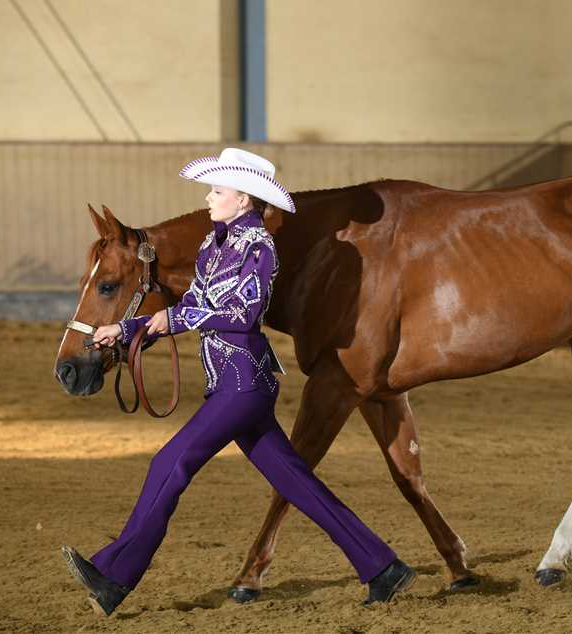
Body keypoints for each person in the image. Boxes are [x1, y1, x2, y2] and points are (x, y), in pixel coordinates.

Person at [61, 148, 415, 616]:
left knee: (170, 463)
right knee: (297, 484)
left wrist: (172, 321)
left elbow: (244, 313)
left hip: (243, 384)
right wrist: (125, 329)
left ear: (243, 199)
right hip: (229, 383)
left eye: (217, 191)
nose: (208, 198)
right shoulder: (213, 246)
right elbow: (192, 307)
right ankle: (382, 566)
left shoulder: (259, 247)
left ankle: (114, 576)